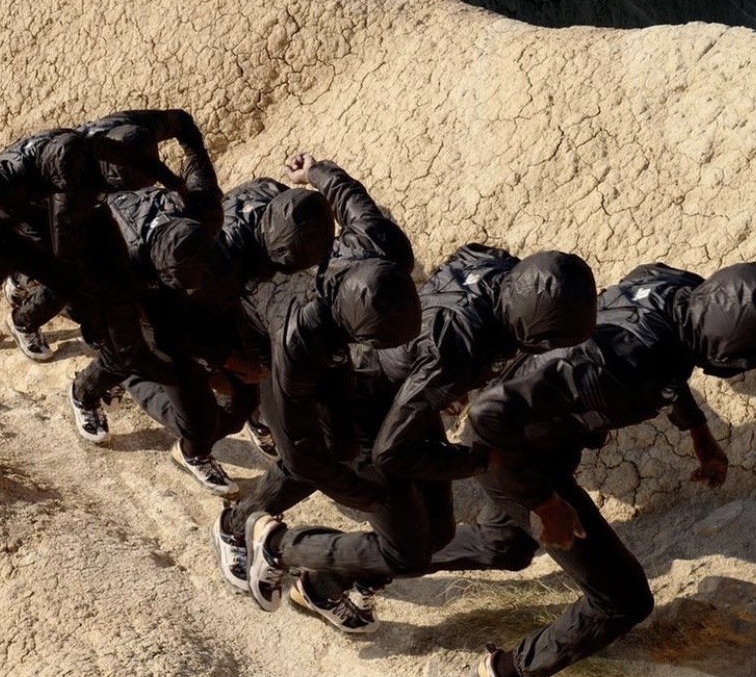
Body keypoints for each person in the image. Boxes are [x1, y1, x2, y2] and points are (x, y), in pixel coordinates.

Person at [434, 261, 756, 677]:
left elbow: (671, 365)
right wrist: (547, 505)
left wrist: (700, 434)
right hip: (517, 459)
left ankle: (353, 566)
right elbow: (486, 419)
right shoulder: (616, 363)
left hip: (548, 441)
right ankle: (510, 673)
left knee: (503, 547)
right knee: (623, 598)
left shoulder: (682, 294)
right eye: (744, 361)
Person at [238, 242, 598, 633]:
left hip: (404, 394)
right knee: (406, 554)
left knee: (439, 534)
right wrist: (479, 460)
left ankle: (320, 587)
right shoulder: (458, 348)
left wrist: (432, 374)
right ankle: (278, 547)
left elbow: (457, 269)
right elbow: (392, 452)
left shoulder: (501, 271)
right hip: (368, 412)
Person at [211, 154, 421, 629]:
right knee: (314, 445)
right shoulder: (298, 339)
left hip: (290, 240)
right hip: (254, 313)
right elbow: (301, 451)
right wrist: (359, 495)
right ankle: (235, 523)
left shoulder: (383, 246)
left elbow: (353, 201)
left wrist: (316, 172)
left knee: (343, 440)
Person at [66, 153, 337, 450]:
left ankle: (248, 411)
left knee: (240, 375)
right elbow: (171, 330)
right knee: (142, 355)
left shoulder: (270, 198)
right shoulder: (215, 267)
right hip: (137, 285)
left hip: (165, 251)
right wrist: (224, 361)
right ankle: (90, 390)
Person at [0, 109, 200, 360]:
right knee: (54, 275)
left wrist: (174, 181)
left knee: (12, 268)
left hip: (28, 205)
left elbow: (169, 128)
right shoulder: (1, 183)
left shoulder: (105, 137)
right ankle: (22, 321)